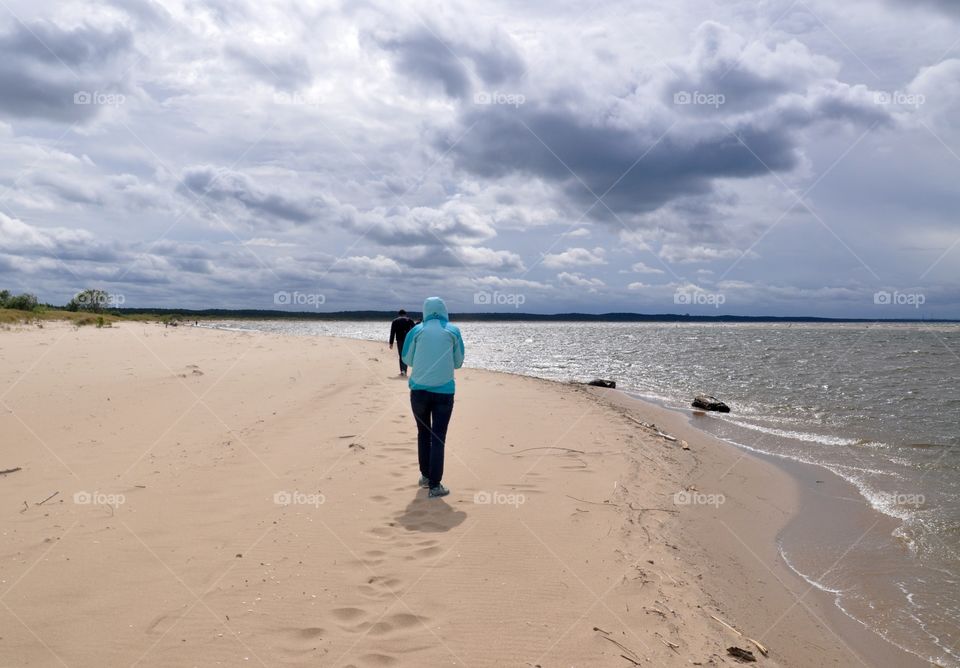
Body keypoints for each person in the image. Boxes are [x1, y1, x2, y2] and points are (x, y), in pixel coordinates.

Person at [400, 297, 464, 498]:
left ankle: (426, 476)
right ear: (444, 310)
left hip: (419, 391)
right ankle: (435, 486)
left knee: (423, 433)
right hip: (444, 392)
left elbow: (406, 358)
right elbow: (458, 362)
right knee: (438, 438)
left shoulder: (416, 330)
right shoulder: (453, 331)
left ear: (425, 311)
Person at [388, 309, 415, 376]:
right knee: (406, 354)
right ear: (405, 314)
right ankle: (405, 370)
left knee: (401, 355)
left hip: (399, 340)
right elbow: (415, 329)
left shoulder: (395, 321)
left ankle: (403, 371)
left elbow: (392, 332)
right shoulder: (409, 320)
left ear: (399, 314)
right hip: (408, 340)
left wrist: (391, 343)